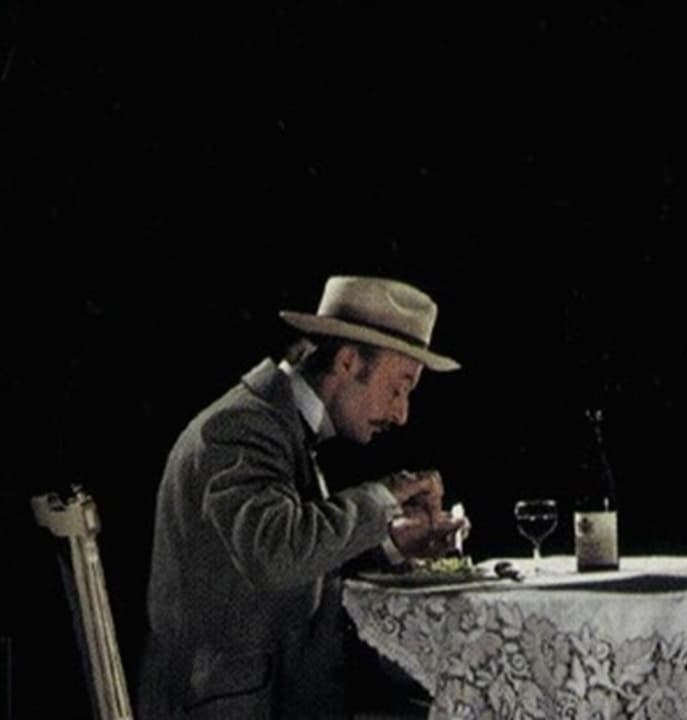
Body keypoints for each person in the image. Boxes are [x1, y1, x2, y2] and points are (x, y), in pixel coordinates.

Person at [139, 275, 469, 718]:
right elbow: (277, 555)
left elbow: (300, 563)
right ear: (348, 362)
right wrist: (383, 497)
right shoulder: (238, 428)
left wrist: (392, 542)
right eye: (399, 387)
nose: (401, 414)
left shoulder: (277, 423)